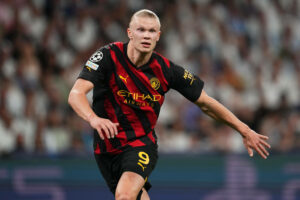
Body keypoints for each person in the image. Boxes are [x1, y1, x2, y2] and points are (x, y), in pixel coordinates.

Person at [68, 9, 271, 200]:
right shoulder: (107, 56)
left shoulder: (166, 70)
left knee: (124, 195)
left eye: (151, 31)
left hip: (140, 145)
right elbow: (76, 93)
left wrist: (244, 129)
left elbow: (206, 103)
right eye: (141, 30)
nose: (146, 35)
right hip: (105, 148)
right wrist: (93, 119)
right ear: (130, 33)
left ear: (158, 36)